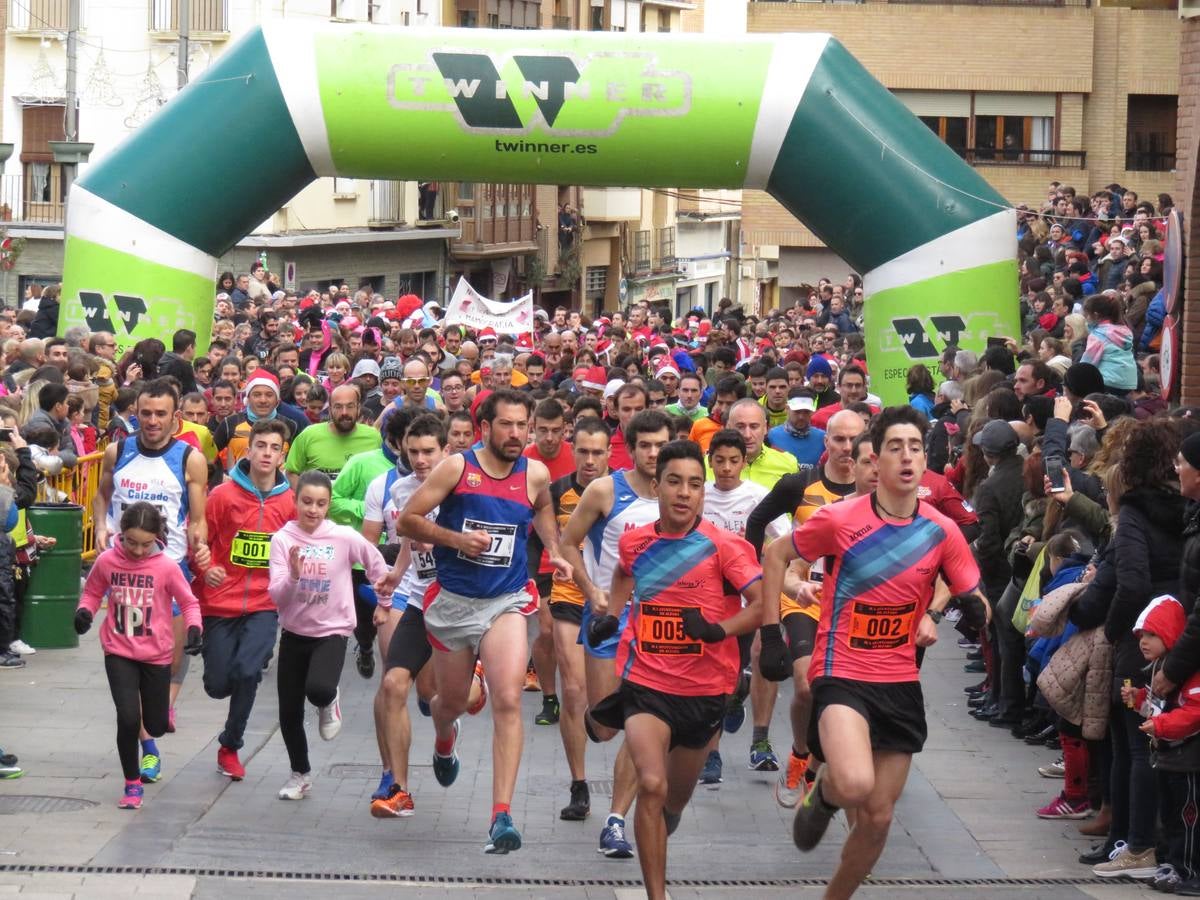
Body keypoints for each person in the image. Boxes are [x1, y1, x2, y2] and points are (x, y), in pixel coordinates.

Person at [759, 406, 987, 900]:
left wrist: (969, 609)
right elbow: (776, 554)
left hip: (900, 679)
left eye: (915, 448)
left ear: (926, 461)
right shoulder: (840, 519)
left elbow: (969, 586)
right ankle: (824, 790)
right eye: (894, 447)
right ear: (876, 462)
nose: (906, 456)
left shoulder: (940, 529)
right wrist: (772, 634)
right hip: (842, 670)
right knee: (856, 783)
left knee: (880, 818)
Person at [583, 440, 765, 900]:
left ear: (703, 492)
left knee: (674, 800)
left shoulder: (726, 547)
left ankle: (660, 829)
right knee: (651, 782)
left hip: (705, 692)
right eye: (674, 482)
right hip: (647, 683)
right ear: (657, 486)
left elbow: (761, 606)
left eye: (694, 484)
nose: (684, 492)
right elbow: (625, 571)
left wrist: (717, 631)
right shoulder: (636, 539)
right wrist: (613, 613)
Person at [396, 389, 572, 853]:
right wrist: (455, 539)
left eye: (523, 425)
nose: (517, 434)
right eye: (508, 425)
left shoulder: (535, 473)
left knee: (509, 698)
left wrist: (555, 551)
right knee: (449, 701)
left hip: (506, 601)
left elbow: (543, 515)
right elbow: (408, 522)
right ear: (485, 427)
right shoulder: (457, 467)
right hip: (454, 604)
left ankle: (501, 816)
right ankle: (443, 736)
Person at [558, 409, 670, 859]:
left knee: (640, 719)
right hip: (608, 616)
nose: (653, 453)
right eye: (644, 445)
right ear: (631, 446)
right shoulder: (605, 490)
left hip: (657, 620)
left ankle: (615, 820)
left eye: (660, 445)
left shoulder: (680, 493)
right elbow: (568, 542)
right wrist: (590, 590)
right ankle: (584, 721)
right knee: (606, 727)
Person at [268, 471, 393, 801]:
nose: (313, 510)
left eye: (321, 503)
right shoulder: (282, 539)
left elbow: (374, 562)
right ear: (295, 501)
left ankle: (328, 701)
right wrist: (293, 576)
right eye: (307, 502)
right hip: (295, 631)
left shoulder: (342, 536)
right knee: (289, 713)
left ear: (328, 506)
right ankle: (300, 775)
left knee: (319, 688)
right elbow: (277, 596)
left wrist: (384, 601)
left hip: (333, 629)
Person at [75, 503, 203, 810]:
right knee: (128, 717)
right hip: (118, 650)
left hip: (156, 654)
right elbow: (93, 592)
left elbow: (189, 603)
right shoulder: (107, 561)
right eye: (131, 542)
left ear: (157, 538)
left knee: (156, 723)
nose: (137, 550)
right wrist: (84, 612)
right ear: (122, 534)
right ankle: (132, 784)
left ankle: (150, 743)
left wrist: (195, 629)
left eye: (146, 544)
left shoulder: (166, 567)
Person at [195, 419, 296, 781]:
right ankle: (226, 704)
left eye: (275, 448)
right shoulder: (222, 496)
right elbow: (200, 541)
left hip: (264, 605)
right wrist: (206, 568)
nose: (267, 453)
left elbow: (297, 548)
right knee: (218, 684)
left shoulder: (289, 502)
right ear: (248, 450)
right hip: (220, 603)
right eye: (262, 446)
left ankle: (230, 744)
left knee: (249, 671)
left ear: (282, 456)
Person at [534, 416, 612, 822]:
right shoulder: (556, 492)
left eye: (598, 452)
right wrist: (543, 593)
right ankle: (579, 785)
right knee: (575, 690)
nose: (589, 459)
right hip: (568, 596)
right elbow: (536, 542)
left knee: (604, 710)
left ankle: (600, 727)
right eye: (582, 450)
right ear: (572, 448)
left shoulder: (623, 493)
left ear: (610, 454)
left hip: (615, 602)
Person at [1122, 595, 1200, 891]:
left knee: (1187, 817)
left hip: (1189, 760)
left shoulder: (1187, 673)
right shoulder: (1158, 668)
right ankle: (1172, 862)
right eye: (1141, 635)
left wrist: (1160, 724)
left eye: (1152, 635)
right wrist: (1139, 701)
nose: (1143, 641)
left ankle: (1189, 869)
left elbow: (1192, 713)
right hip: (1169, 757)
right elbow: (1159, 707)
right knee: (1170, 814)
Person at [766, 388, 825, 475]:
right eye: (797, 412)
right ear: (787, 409)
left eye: (806, 412)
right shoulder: (771, 436)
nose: (801, 416)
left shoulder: (823, 438)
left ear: (812, 412)